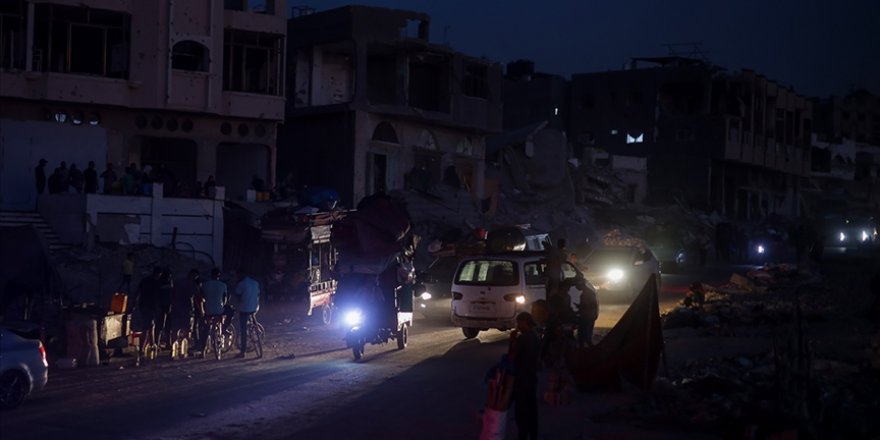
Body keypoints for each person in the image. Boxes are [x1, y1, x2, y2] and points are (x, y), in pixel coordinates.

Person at [511, 312, 541, 440]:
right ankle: (533, 435)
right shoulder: (535, 336)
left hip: (522, 379)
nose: (517, 325)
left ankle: (522, 436)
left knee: (521, 412)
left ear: (524, 322)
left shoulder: (523, 339)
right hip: (531, 377)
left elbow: (512, 357)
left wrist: (512, 340)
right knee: (532, 410)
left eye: (519, 323)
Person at [169, 269, 200, 353]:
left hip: (176, 308)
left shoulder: (178, 282)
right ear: (193, 275)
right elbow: (198, 297)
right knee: (186, 329)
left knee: (175, 329)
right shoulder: (192, 284)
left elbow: (172, 293)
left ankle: (173, 348)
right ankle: (184, 349)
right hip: (187, 309)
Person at [198, 268, 228, 353]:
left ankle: (203, 350)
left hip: (208, 311)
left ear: (211, 275)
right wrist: (223, 304)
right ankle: (221, 334)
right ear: (219, 276)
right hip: (219, 310)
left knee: (206, 329)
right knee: (223, 317)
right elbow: (225, 298)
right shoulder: (223, 285)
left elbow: (201, 297)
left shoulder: (205, 284)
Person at [135, 267, 164, 352]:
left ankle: (152, 344)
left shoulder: (144, 280)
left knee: (150, 325)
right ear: (158, 274)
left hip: (143, 305)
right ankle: (144, 348)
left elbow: (137, 292)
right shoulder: (156, 282)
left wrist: (134, 303)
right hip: (150, 306)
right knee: (148, 326)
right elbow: (158, 296)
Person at [233, 269, 260, 358]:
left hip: (244, 309)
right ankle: (256, 328)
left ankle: (243, 351)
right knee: (252, 315)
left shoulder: (241, 284)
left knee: (243, 330)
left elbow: (237, 296)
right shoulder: (255, 283)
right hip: (255, 308)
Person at [577, 276, 599, 347]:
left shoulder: (587, 294)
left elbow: (592, 305)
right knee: (586, 336)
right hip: (588, 315)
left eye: (577, 285)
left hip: (586, 316)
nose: (576, 287)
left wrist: (581, 307)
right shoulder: (588, 293)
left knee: (584, 336)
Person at [156, 267, 174, 348]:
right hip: (163, 306)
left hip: (166, 306)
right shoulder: (165, 283)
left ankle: (164, 343)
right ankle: (159, 343)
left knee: (165, 326)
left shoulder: (161, 283)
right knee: (162, 326)